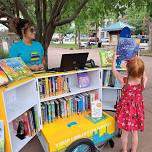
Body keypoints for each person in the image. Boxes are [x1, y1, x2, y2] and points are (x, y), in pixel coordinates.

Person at [112, 53, 148, 152]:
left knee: (125, 134)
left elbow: (114, 71)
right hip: (137, 112)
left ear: (127, 70)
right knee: (135, 133)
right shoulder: (142, 83)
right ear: (141, 72)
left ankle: (124, 150)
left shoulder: (124, 81)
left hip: (125, 112)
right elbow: (146, 77)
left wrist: (114, 60)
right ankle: (134, 150)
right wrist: (141, 64)